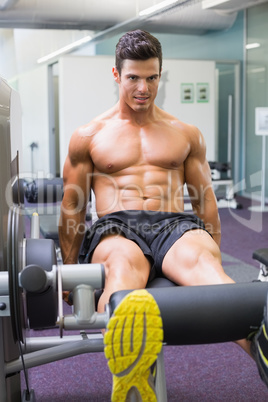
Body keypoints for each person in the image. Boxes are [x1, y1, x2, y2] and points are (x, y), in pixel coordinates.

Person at [59, 30, 266, 401]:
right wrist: (69, 273)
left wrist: (211, 245)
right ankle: (132, 366)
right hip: (117, 226)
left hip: (174, 224)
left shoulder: (185, 133)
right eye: (134, 77)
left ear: (160, 75)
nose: (143, 87)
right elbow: (72, 206)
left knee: (205, 266)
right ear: (116, 75)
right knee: (122, 270)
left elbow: (204, 202)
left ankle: (263, 348)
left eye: (152, 77)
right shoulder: (89, 136)